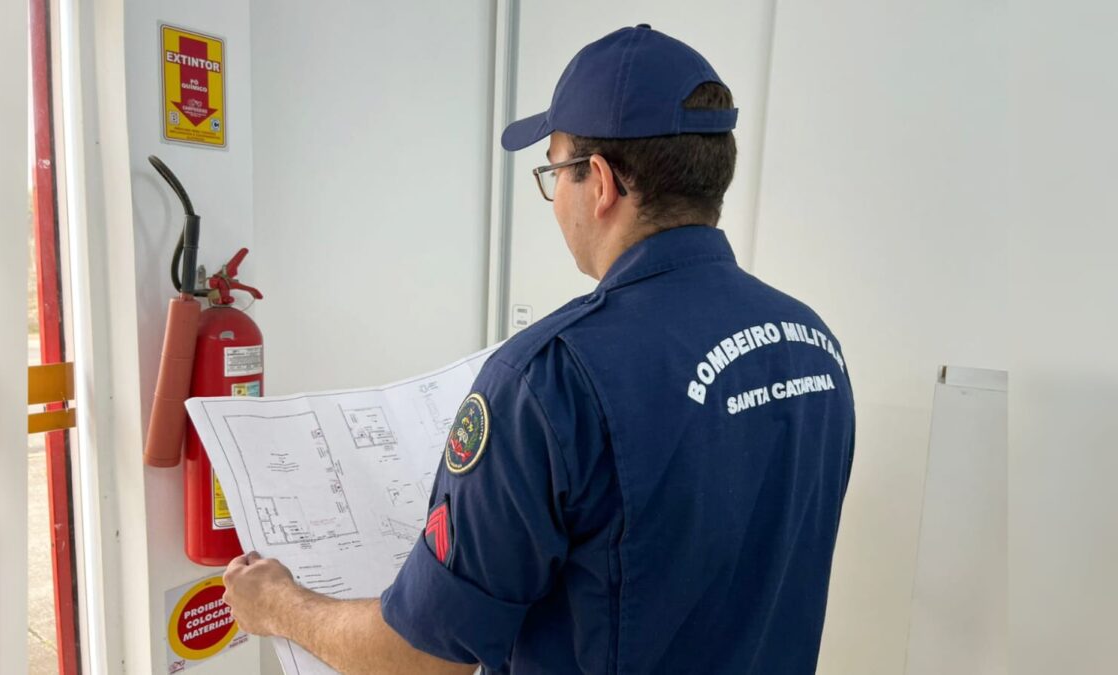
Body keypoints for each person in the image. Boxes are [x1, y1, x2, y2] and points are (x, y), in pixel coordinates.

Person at [222, 24, 855, 674]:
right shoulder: (812, 345)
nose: (555, 200)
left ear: (601, 182)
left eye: (554, 171)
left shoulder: (549, 381)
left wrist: (277, 602)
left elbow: (418, 655)